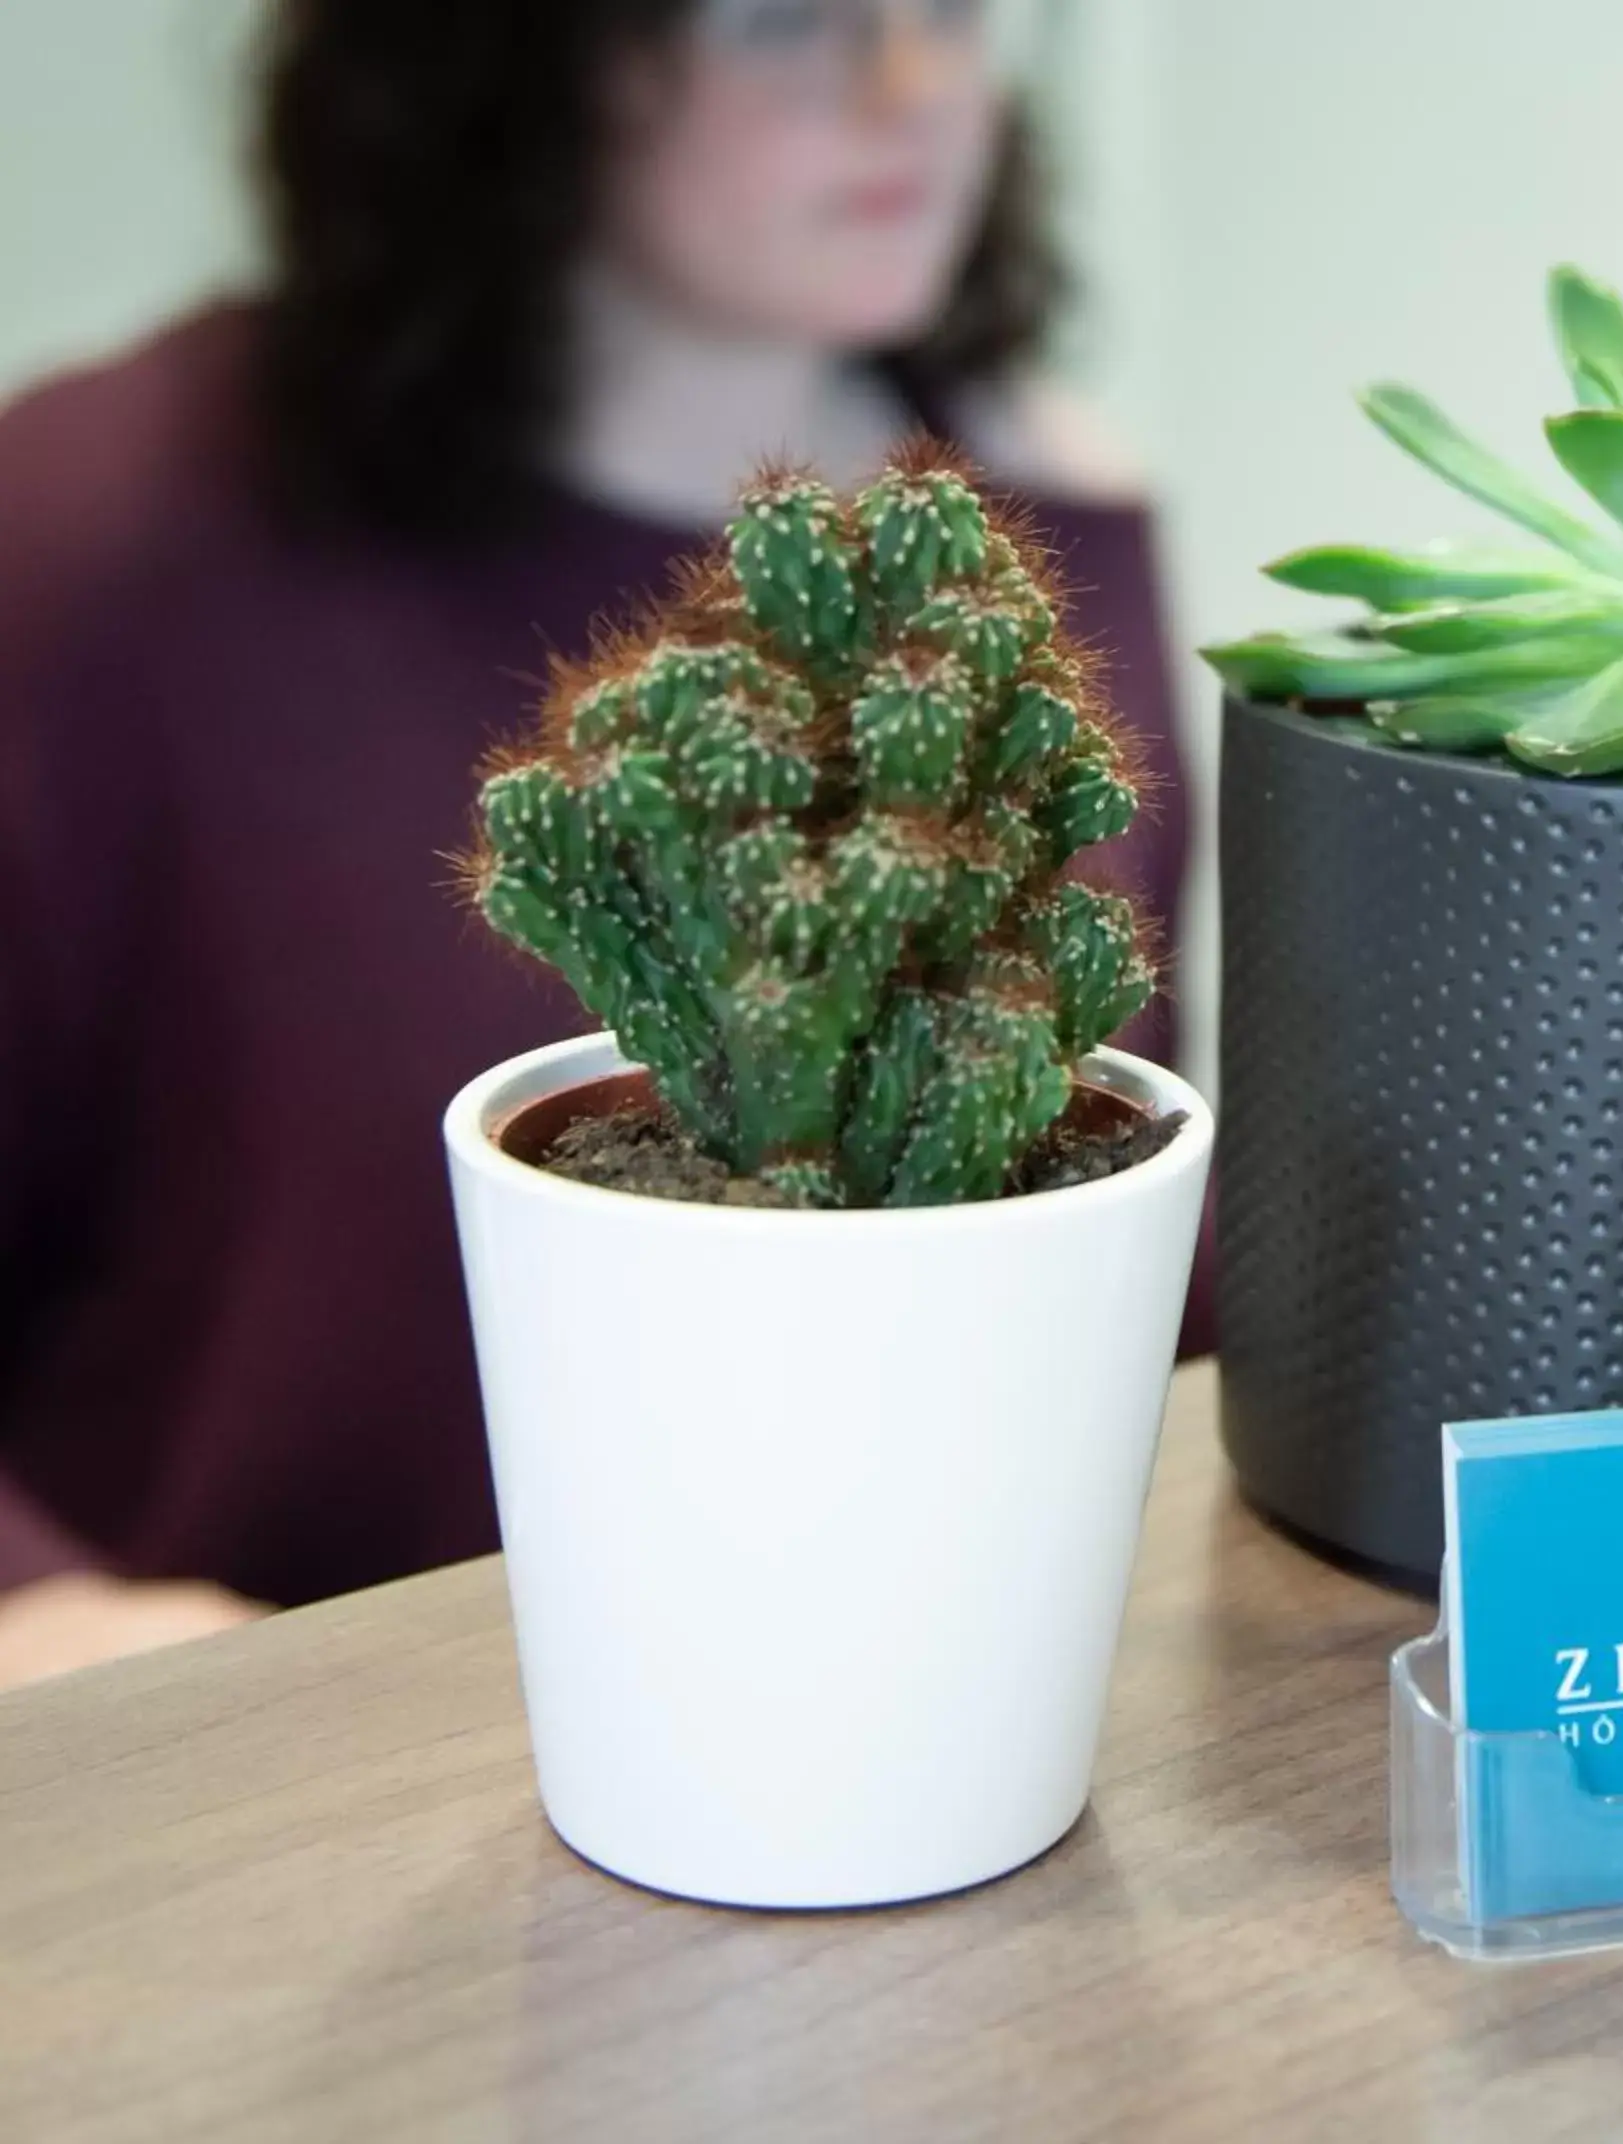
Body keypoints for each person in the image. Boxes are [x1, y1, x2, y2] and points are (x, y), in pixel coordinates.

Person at [0, 0, 1193, 1688]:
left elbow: (1118, 1201)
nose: (918, 91)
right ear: (510, 57)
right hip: (279, 1768)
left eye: (959, 6)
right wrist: (45, 1609)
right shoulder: (97, 550)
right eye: (787, 21)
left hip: (935, 1698)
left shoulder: (1040, 532)